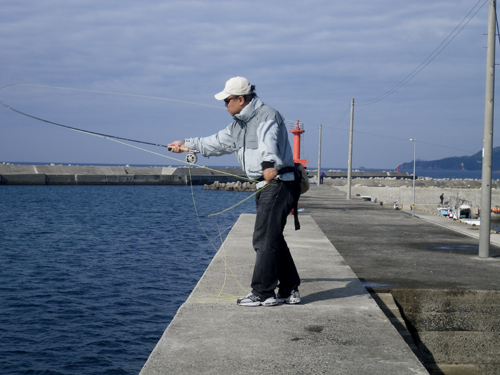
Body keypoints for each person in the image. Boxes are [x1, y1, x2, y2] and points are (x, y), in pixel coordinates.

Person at [168, 76, 302, 307]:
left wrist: (269, 165)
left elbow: (268, 140)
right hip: (266, 185)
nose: (225, 105)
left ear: (241, 99)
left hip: (278, 182)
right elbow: (216, 142)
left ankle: (263, 292)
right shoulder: (239, 124)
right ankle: (289, 288)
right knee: (273, 238)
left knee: (264, 239)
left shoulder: (267, 115)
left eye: (227, 100)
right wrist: (186, 144)